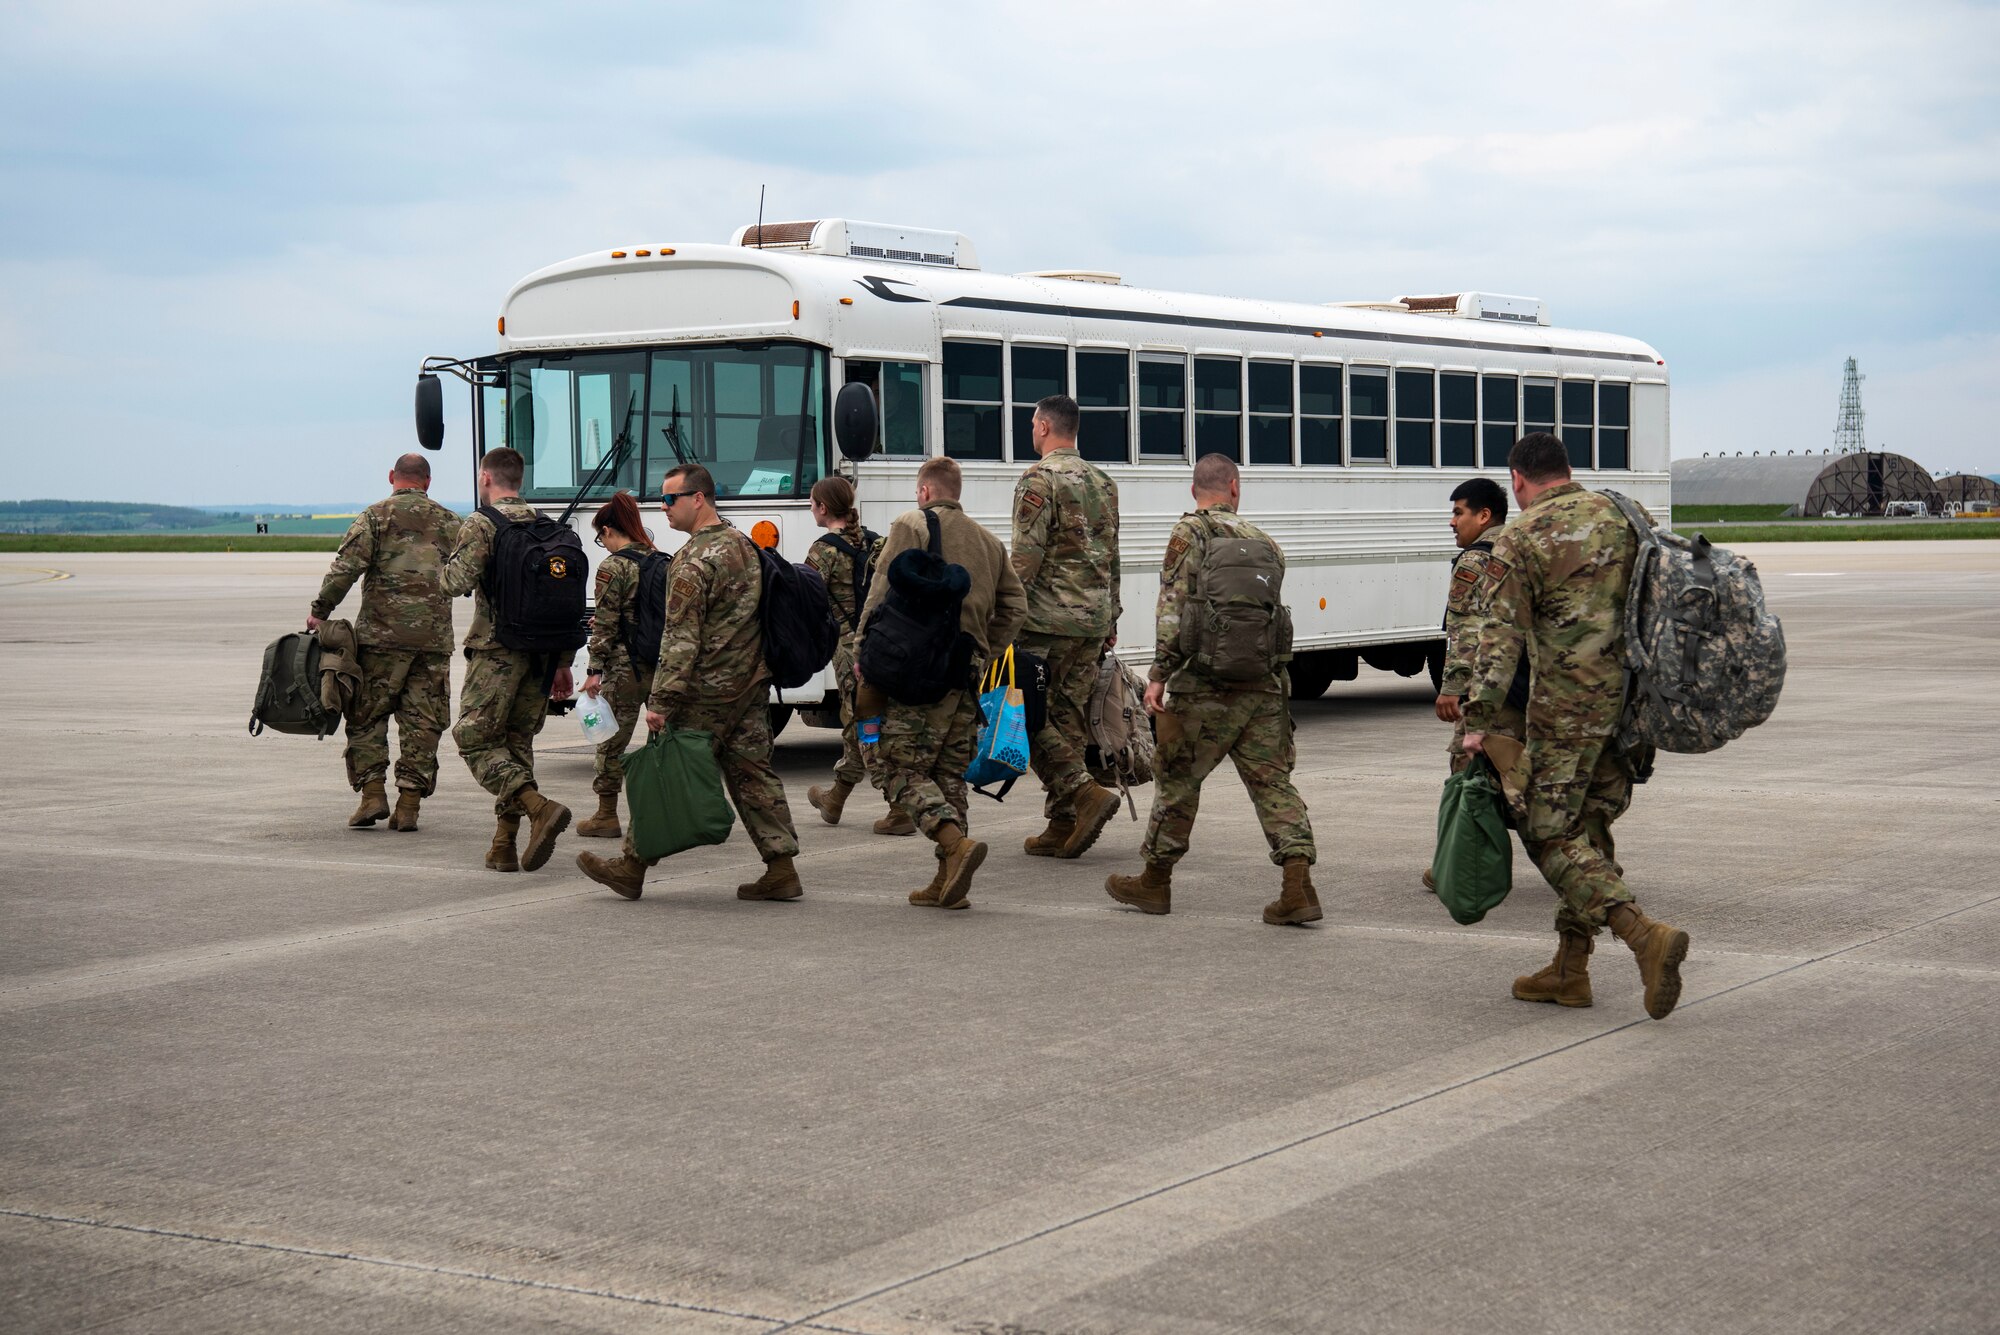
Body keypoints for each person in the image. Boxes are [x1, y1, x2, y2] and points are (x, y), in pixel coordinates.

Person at [1462, 432, 1690, 1019]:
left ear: (1517, 480)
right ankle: (1571, 969)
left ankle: (1643, 936)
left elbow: (1499, 638)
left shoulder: (1519, 536)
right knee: (1589, 831)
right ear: (1567, 470)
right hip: (1634, 710)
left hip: (1566, 713)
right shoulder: (1625, 514)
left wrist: (1477, 723)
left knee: (1546, 831)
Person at [1104, 453, 1321, 924]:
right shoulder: (1265, 541)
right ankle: (1297, 884)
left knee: (1179, 779)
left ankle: (1155, 883)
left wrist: (1158, 675)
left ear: (1194, 491)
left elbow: (1173, 606)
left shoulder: (1189, 534)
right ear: (1235, 488)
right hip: (1264, 686)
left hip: (1203, 686)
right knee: (1272, 783)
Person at [574, 464, 805, 902]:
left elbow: (680, 637)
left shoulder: (693, 559)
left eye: (669, 499)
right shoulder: (746, 546)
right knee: (754, 775)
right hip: (749, 685)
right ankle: (781, 868)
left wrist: (660, 700)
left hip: (704, 691)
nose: (662, 509)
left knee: (666, 774)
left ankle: (631, 866)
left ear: (697, 498)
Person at [857, 457, 1026, 909]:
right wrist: (984, 650)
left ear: (926, 491)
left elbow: (880, 590)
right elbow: (1016, 606)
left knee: (896, 766)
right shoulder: (990, 543)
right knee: (949, 772)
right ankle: (947, 882)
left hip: (914, 667)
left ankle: (954, 846)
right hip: (965, 671)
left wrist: (862, 650)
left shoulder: (912, 523)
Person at [307, 453, 460, 831]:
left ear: (392, 476)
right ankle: (408, 805)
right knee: (423, 721)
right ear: (427, 481)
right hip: (432, 642)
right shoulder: (452, 522)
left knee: (365, 716)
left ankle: (373, 794)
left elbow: (346, 567)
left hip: (380, 639)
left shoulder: (375, 516)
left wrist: (320, 610)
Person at [441, 447, 574, 873]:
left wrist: (443, 565)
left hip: (498, 650)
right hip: (544, 654)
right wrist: (564, 662)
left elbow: (454, 582)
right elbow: (564, 602)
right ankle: (504, 844)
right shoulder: (546, 526)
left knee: (475, 738)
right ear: (520, 480)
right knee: (516, 743)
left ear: (486, 478)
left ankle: (538, 807)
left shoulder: (483, 523)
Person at [1010, 393, 1125, 860]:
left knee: (1024, 717)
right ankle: (1063, 822)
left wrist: (1004, 618)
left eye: (1032, 422)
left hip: (1046, 624)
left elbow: (1024, 560)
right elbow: (1113, 555)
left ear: (1042, 426)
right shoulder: (1104, 482)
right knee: (1068, 719)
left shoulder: (1038, 480)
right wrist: (1112, 615)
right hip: (1092, 622)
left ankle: (1084, 793)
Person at [1424, 476, 1524, 892]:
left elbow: (1466, 631)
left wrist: (1451, 687)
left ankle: (1462, 867)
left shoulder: (1475, 559)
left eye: (1458, 512)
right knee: (1522, 775)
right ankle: (1592, 853)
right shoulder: (1521, 548)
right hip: (1527, 686)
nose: (1452, 522)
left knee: (1469, 775)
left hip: (1488, 690)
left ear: (1484, 516)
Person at [802, 476, 902, 834]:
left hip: (849, 652)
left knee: (866, 725)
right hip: (885, 645)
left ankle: (899, 805)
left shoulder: (822, 551)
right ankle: (836, 799)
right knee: (857, 720)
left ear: (824, 508)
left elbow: (807, 601)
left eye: (812, 502)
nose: (810, 507)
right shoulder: (878, 543)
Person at [576, 492, 659, 840]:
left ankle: (606, 815)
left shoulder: (613, 566)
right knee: (663, 744)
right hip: (660, 667)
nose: (603, 544)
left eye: (601, 537)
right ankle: (665, 811)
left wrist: (594, 670)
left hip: (625, 670)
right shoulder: (659, 560)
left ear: (609, 530)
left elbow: (607, 623)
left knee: (610, 741)